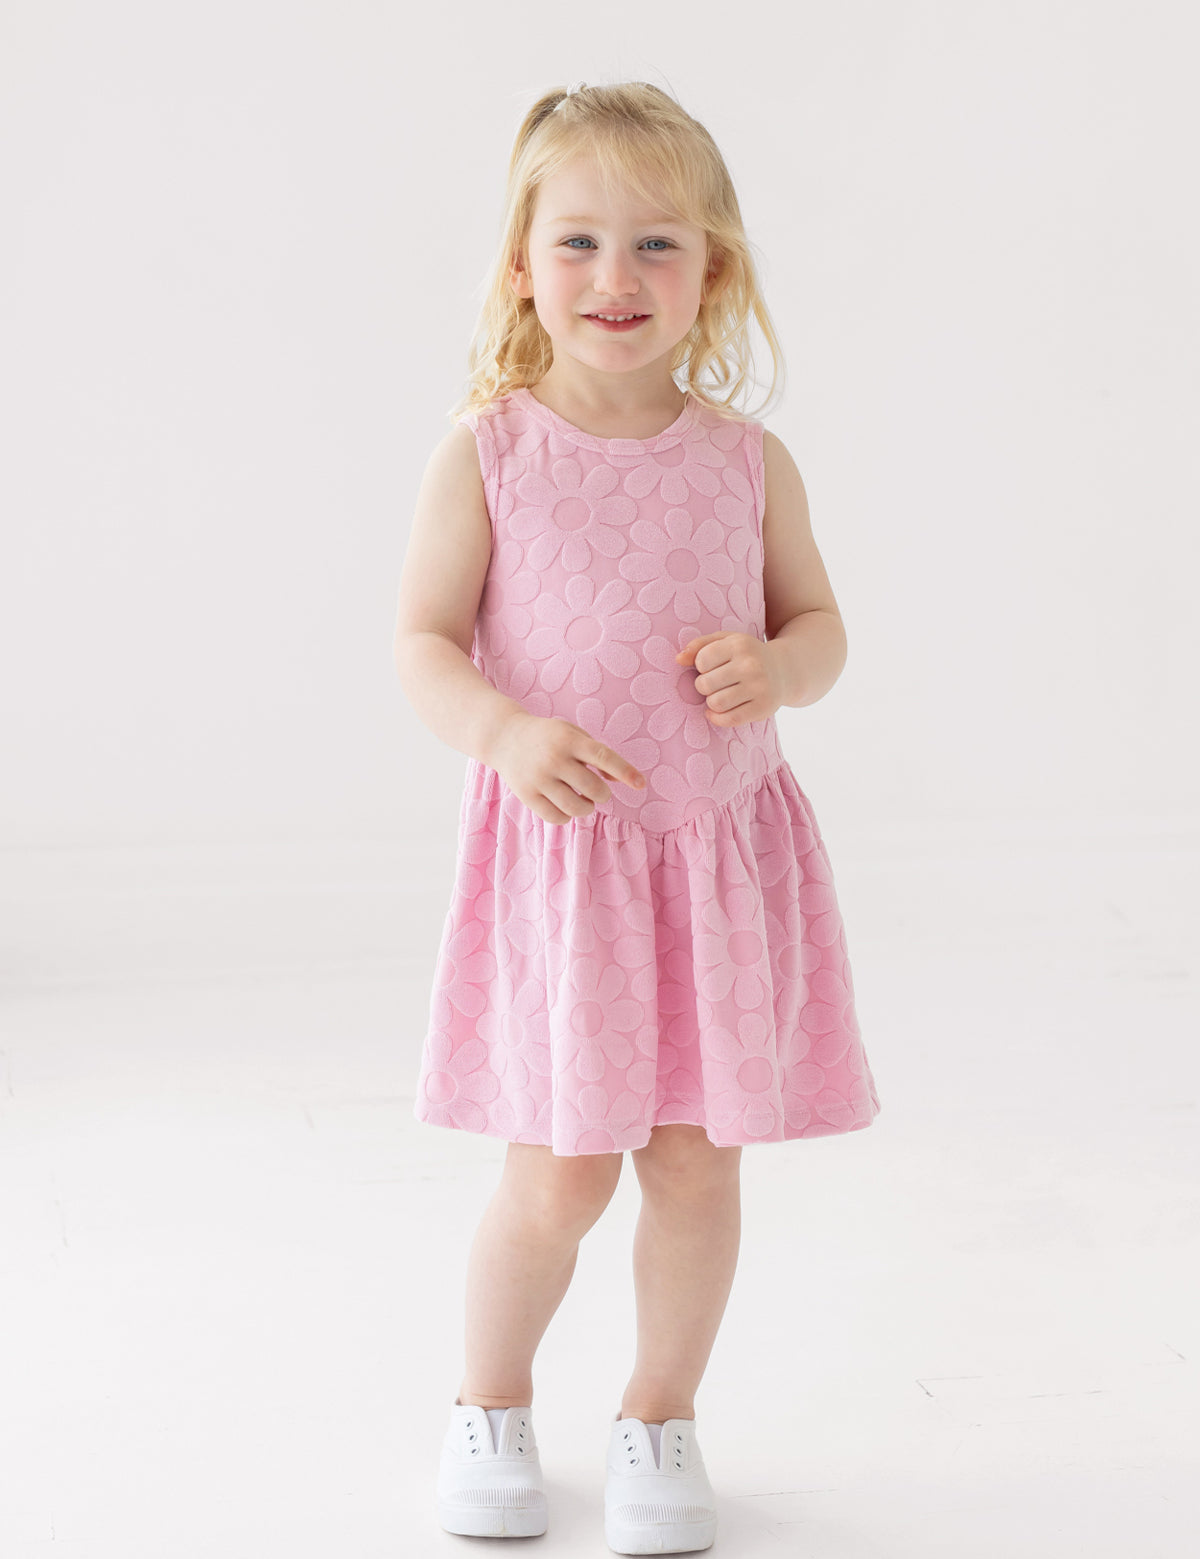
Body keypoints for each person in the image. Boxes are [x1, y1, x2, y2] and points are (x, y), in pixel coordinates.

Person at [392, 79, 883, 1554]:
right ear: (524, 269)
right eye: (583, 242)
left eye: (660, 246)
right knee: (555, 1177)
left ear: (714, 273)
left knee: (692, 1162)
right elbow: (421, 641)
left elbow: (823, 623)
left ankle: (660, 1414)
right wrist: (504, 729)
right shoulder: (488, 455)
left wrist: (781, 665)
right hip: (572, 871)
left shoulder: (746, 461)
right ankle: (489, 1398)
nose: (619, 279)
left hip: (714, 867)